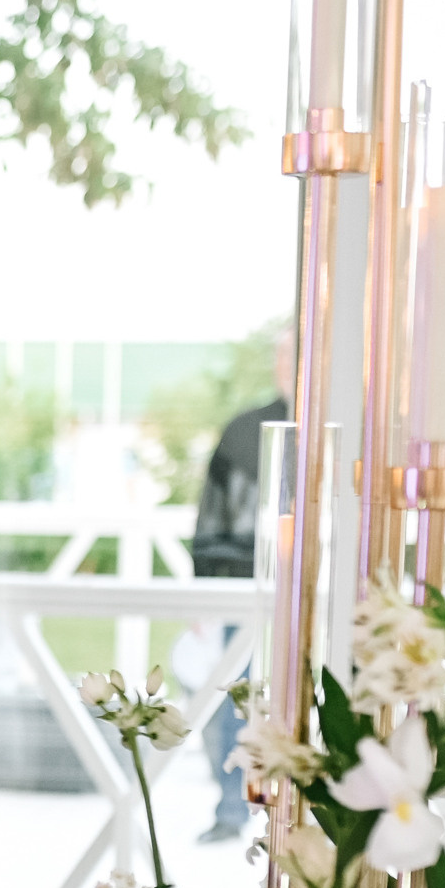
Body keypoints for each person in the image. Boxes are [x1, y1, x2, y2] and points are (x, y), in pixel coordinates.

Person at [188, 331, 291, 845]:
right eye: (282, 355)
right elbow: (212, 511)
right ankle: (234, 808)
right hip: (244, 586)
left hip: (318, 592)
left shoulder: (350, 430)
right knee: (239, 698)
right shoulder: (245, 431)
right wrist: (203, 589)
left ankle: (296, 809)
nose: (286, 365)